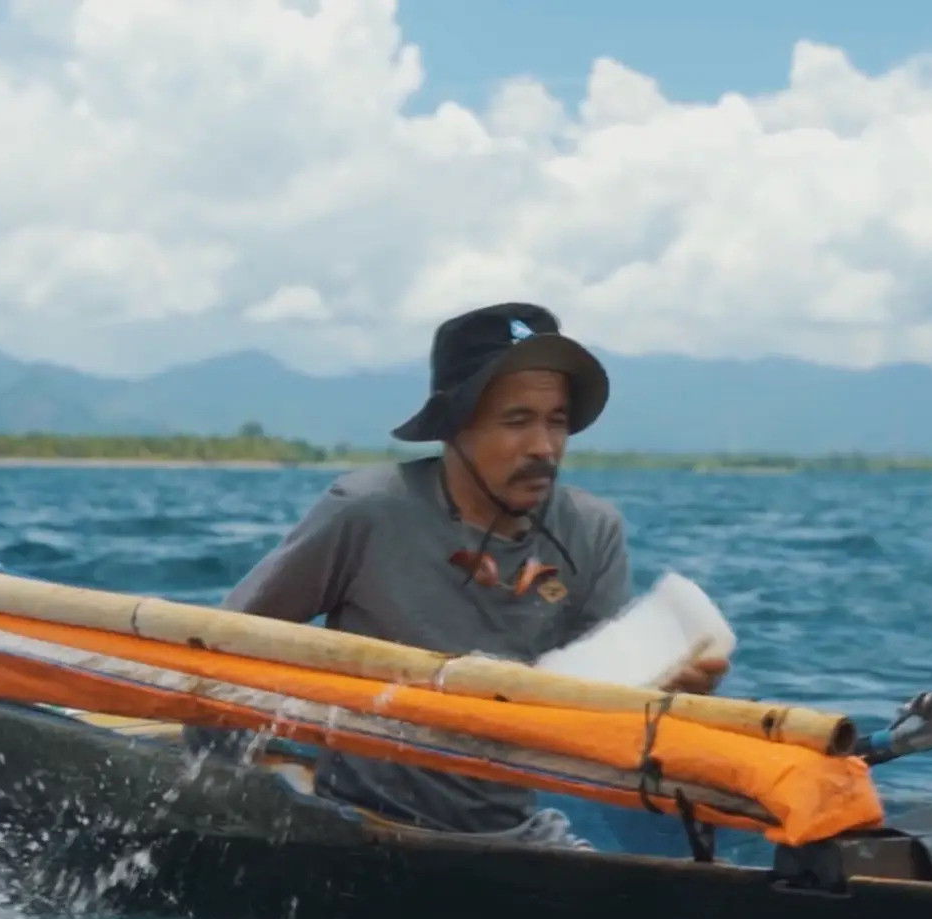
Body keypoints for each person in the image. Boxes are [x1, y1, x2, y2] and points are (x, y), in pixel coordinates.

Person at [217, 302, 728, 838]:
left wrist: (666, 697)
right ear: (454, 428)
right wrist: (236, 784)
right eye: (517, 421)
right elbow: (222, 649)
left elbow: (596, 715)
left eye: (556, 421)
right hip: (354, 821)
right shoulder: (367, 512)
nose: (544, 447)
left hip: (511, 832)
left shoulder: (592, 531)